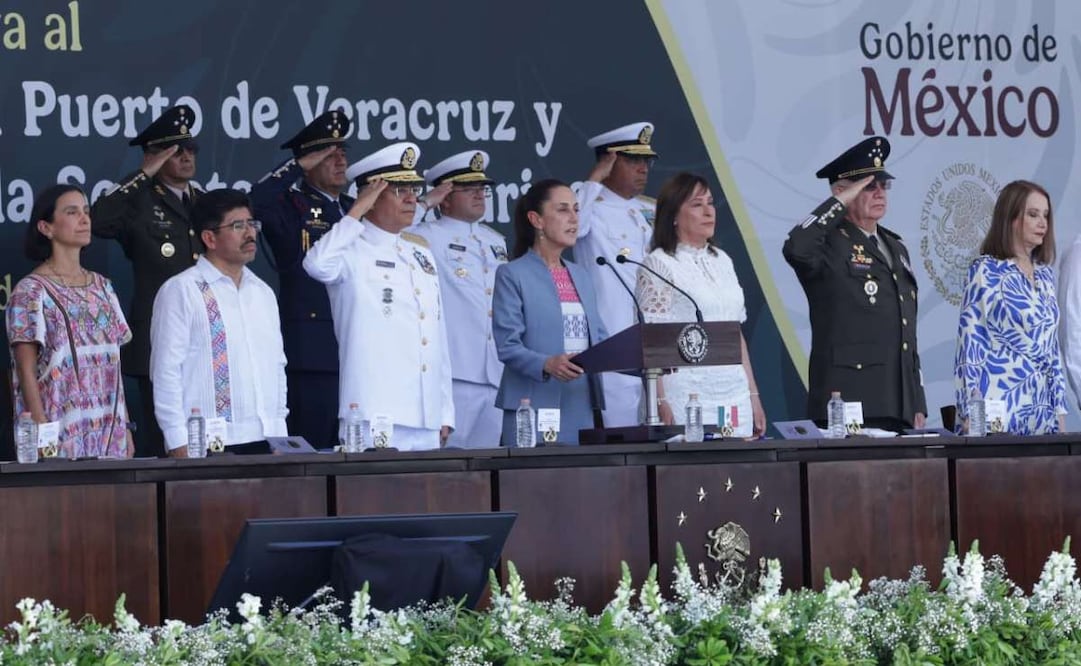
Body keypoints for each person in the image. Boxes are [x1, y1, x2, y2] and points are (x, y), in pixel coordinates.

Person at [303, 142, 454, 451]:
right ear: (370, 198)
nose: (411, 198)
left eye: (413, 189)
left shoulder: (419, 252)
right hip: (375, 411)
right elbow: (316, 265)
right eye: (399, 190)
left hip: (426, 413)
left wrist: (444, 409)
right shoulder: (350, 249)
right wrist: (355, 212)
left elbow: (435, 334)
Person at [783, 136, 926, 429]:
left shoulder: (895, 246)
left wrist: (917, 401)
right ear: (842, 192)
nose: (879, 193)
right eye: (868, 186)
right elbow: (796, 247)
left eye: (883, 185)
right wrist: (838, 203)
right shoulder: (828, 242)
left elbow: (906, 331)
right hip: (847, 399)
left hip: (896, 401)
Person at [92, 104, 204, 456]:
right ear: (154, 156)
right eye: (175, 150)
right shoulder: (138, 201)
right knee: (164, 443)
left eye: (190, 148)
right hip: (157, 337)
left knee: (207, 441)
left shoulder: (203, 203)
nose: (186, 156)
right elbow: (99, 220)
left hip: (204, 336)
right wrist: (143, 174)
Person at [149, 189, 287, 456]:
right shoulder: (181, 290)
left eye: (251, 224)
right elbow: (166, 371)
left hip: (266, 441)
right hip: (205, 444)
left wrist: (279, 432)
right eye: (237, 226)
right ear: (209, 238)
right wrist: (177, 440)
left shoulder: (263, 292)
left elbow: (277, 366)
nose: (250, 233)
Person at [248, 110, 353, 448]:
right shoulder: (290, 205)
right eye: (328, 155)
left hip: (357, 347)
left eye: (342, 153)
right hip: (313, 350)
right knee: (314, 448)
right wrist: (297, 167)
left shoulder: (355, 208)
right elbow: (253, 203)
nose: (340, 161)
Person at [6, 184, 133, 458]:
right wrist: (41, 430)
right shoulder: (31, 291)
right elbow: (25, 369)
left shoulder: (103, 287)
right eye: (72, 212)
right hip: (58, 434)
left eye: (86, 211)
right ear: (46, 227)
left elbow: (114, 365)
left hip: (109, 433)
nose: (84, 219)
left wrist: (126, 427)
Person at [635, 173, 765, 437]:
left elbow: (735, 332)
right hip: (686, 392)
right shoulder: (659, 263)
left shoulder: (722, 260)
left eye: (710, 203)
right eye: (697, 204)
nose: (708, 211)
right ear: (673, 215)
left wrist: (753, 395)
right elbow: (650, 340)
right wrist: (659, 400)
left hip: (733, 391)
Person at [493, 179, 608, 446]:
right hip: (531, 404)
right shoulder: (512, 274)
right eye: (563, 209)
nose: (574, 218)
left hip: (580, 403)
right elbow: (507, 345)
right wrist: (547, 364)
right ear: (537, 220)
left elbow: (602, 342)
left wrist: (646, 362)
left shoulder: (581, 275)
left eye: (576, 209)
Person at [410, 150, 506, 448]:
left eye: (482, 188)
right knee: (449, 462)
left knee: (488, 462)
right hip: (456, 371)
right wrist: (425, 203)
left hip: (495, 369)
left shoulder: (495, 240)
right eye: (468, 189)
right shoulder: (426, 235)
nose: (479, 195)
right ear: (446, 197)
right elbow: (393, 232)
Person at [956, 180, 1066, 435]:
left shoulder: (1046, 275)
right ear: (1011, 218)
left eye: (1046, 215)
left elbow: (1053, 354)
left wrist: (1060, 414)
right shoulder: (986, 270)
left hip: (1043, 416)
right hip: (998, 413)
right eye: (1033, 214)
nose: (1043, 223)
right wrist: (970, 414)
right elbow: (970, 345)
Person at [572, 121, 657, 428]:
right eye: (633, 160)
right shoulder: (586, 202)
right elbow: (572, 231)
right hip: (613, 337)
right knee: (622, 431)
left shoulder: (651, 209)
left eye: (646, 161)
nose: (643, 168)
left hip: (655, 336)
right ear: (609, 161)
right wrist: (594, 180)